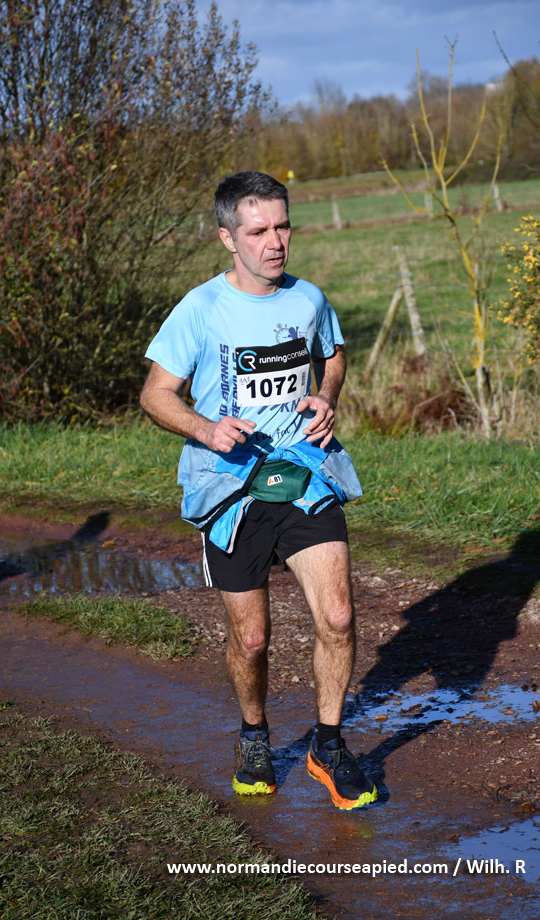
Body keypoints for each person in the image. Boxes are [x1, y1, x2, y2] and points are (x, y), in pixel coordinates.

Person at [140, 171, 377, 810]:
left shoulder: (308, 299)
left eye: (282, 226)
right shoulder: (200, 309)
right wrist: (206, 429)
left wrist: (326, 396)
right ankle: (253, 734)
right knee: (251, 639)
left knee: (338, 615)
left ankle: (328, 746)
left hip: (303, 471)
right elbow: (155, 394)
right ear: (228, 238)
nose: (275, 242)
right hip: (231, 487)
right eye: (257, 231)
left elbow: (333, 353)